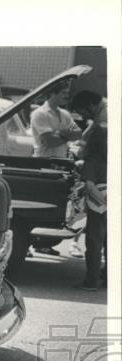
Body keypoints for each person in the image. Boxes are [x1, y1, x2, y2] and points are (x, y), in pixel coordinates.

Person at [71, 90, 107, 291]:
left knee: (94, 241)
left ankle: (91, 281)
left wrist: (103, 201)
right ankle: (109, 278)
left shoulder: (91, 161)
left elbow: (90, 185)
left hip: (99, 202)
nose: (84, 116)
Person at [30, 80, 82, 158]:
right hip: (44, 161)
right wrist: (69, 136)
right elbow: (50, 142)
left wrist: (60, 133)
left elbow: (78, 133)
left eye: (67, 93)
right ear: (52, 94)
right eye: (63, 93)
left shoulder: (65, 114)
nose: (67, 96)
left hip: (62, 160)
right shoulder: (39, 114)